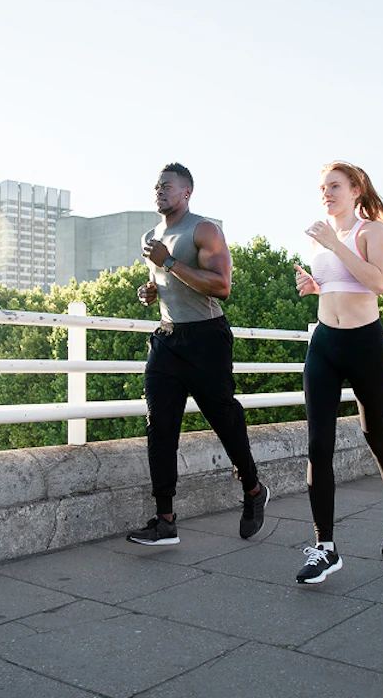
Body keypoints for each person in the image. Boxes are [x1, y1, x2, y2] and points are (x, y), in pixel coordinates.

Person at [127, 163, 269, 545]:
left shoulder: (203, 229)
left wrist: (168, 262)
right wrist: (151, 290)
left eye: (167, 186)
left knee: (223, 418)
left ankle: (254, 490)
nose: (160, 191)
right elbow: (167, 281)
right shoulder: (150, 236)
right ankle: (165, 519)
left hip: (206, 338)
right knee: (160, 426)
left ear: (186, 192)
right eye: (157, 186)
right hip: (168, 338)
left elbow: (221, 287)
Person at [292, 161, 383, 583]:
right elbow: (341, 285)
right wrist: (317, 285)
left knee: (375, 436)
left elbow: (378, 282)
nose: (326, 192)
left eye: (335, 186)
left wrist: (335, 245)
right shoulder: (321, 239)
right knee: (318, 445)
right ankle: (324, 547)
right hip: (325, 344)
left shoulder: (370, 231)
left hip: (365, 345)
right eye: (322, 187)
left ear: (356, 190)